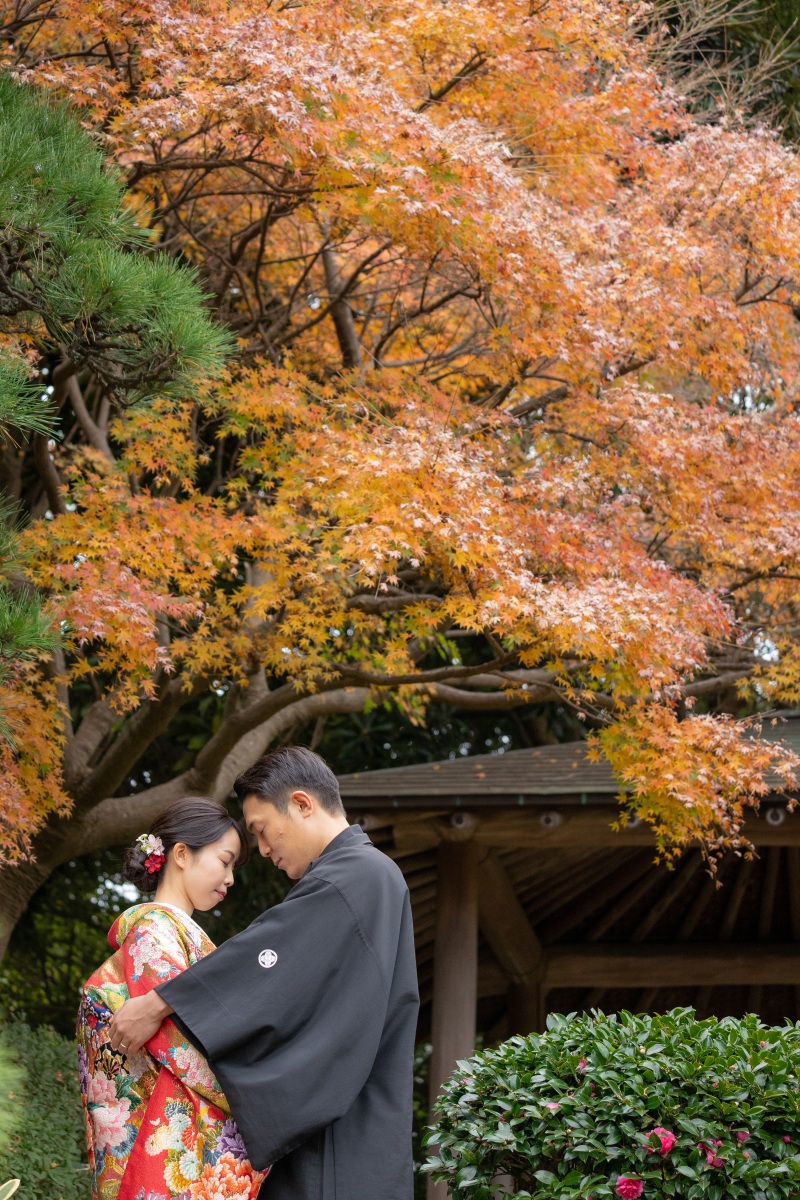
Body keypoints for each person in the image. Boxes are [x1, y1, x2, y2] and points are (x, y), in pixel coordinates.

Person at [109, 746, 420, 1200]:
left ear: (300, 804)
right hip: (349, 1135)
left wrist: (159, 1002)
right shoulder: (362, 876)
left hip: (337, 1150)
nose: (263, 849)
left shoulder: (357, 875)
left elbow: (272, 954)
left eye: (260, 830)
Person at [78, 797, 267, 1200]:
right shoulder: (154, 934)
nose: (230, 878)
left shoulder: (173, 934)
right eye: (225, 860)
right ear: (181, 854)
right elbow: (183, 1039)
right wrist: (260, 1100)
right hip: (166, 1138)